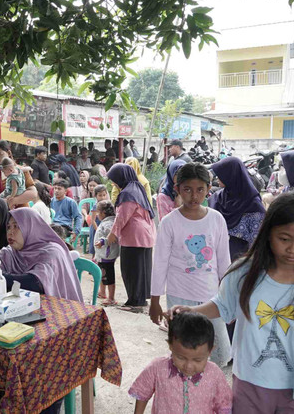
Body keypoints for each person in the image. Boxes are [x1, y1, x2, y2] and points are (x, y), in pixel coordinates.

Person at [172, 191, 294, 414]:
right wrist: (193, 310)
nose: (293, 249)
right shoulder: (243, 273)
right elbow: (223, 304)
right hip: (250, 385)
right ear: (268, 233)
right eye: (284, 239)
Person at [149, 163, 231, 366]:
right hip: (179, 295)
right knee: (184, 350)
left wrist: (229, 295)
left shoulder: (216, 219)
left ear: (208, 188)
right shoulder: (169, 222)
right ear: (177, 189)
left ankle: (210, 389)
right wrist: (155, 301)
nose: (194, 196)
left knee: (219, 352)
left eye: (200, 190)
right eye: (187, 189)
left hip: (212, 296)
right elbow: (159, 263)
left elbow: (223, 261)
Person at [0, 208, 83, 303]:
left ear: (31, 227)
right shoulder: (10, 252)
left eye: (17, 227)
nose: (10, 232)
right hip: (25, 308)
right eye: (8, 227)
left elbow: (35, 284)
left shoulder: (52, 252)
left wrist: (0, 276)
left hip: (59, 310)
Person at [129, 312, 232, 414]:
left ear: (210, 351)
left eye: (197, 360)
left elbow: (224, 405)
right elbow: (142, 392)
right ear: (170, 345)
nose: (188, 366)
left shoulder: (215, 374)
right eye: (181, 357)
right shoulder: (157, 368)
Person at [106, 163, 156, 312]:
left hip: (135, 236)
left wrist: (112, 234)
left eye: (114, 179)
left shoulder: (128, 193)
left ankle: (135, 302)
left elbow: (122, 217)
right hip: (145, 235)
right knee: (141, 269)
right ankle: (139, 300)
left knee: (131, 270)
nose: (112, 183)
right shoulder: (137, 188)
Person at [209, 157, 266, 262]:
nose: (217, 177)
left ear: (231, 175)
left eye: (222, 174)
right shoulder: (217, 197)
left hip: (239, 263)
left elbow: (257, 241)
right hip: (212, 258)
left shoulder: (253, 205)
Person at [0, 140, 37, 208]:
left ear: (8, 153)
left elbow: (33, 193)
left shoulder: (20, 171)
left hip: (20, 213)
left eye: (0, 154)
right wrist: (0, 201)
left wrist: (12, 200)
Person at [93, 200, 119, 307]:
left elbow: (113, 237)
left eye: (98, 212)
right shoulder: (107, 222)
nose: (97, 215)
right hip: (103, 255)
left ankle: (111, 298)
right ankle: (102, 292)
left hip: (107, 255)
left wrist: (103, 241)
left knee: (108, 277)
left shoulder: (108, 223)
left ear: (103, 213)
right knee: (102, 274)